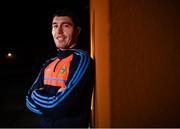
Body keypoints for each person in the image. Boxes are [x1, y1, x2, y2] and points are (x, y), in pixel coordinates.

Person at [25, 8, 95, 128]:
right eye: (55, 26)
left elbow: (58, 107)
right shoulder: (48, 63)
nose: (59, 31)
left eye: (66, 26)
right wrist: (52, 102)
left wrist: (37, 95)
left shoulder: (82, 59)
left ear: (77, 31)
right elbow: (28, 102)